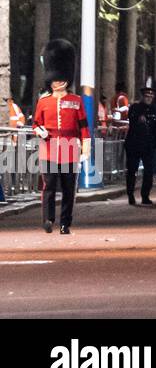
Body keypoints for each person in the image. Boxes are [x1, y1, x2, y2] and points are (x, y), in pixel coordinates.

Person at [32, 40, 87, 234]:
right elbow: (35, 124)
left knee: (68, 190)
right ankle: (48, 219)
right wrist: (41, 131)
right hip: (49, 150)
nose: (58, 81)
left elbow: (84, 129)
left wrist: (85, 152)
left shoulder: (76, 101)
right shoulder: (44, 102)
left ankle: (65, 223)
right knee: (48, 188)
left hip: (70, 149)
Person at [123, 84, 156, 206]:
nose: (149, 98)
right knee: (132, 171)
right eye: (147, 96)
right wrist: (139, 116)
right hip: (134, 144)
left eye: (151, 96)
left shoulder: (154, 110)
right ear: (142, 97)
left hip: (148, 145)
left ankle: (145, 196)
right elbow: (133, 119)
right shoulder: (135, 107)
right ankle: (130, 194)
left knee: (149, 172)